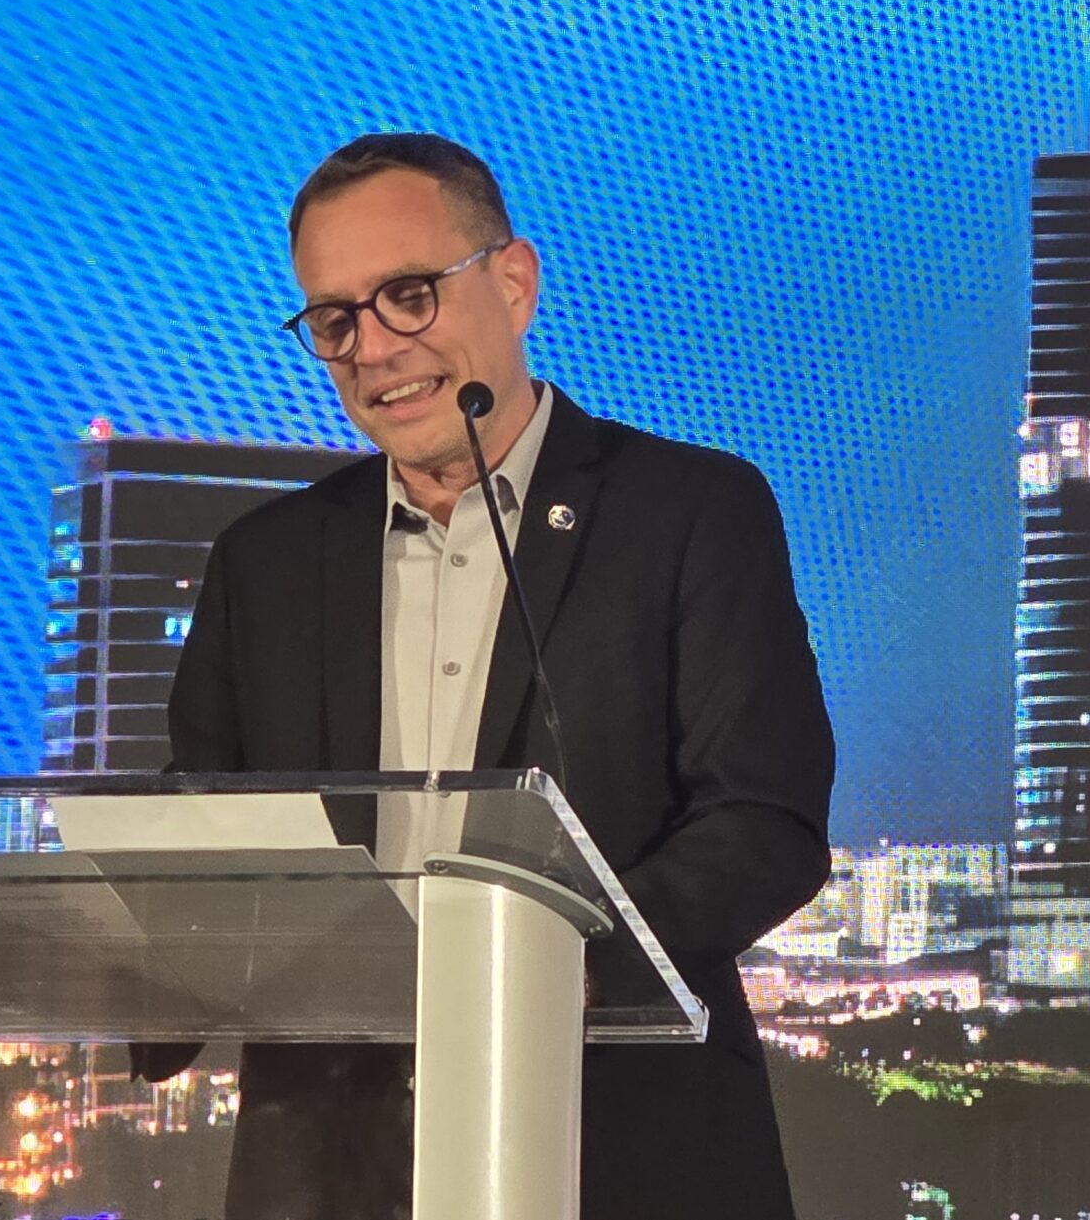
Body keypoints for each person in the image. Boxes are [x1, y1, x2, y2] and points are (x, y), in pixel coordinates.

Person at [139, 132, 836, 1220]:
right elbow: (204, 835)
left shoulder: (690, 513)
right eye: (335, 319)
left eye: (408, 295)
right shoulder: (263, 562)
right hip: (328, 1171)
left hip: (622, 1147)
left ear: (514, 282)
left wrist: (545, 967)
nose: (374, 347)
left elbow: (763, 822)